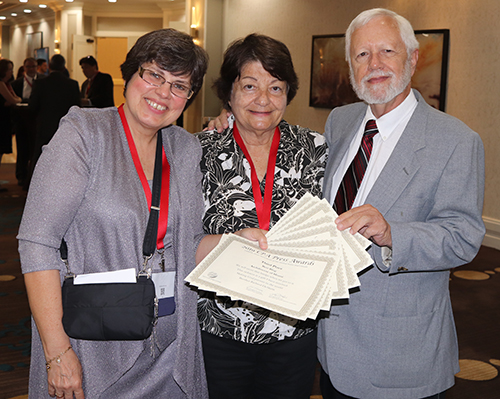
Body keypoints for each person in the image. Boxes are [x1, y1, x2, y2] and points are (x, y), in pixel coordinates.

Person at [18, 28, 267, 399]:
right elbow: (37, 244)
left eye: (179, 86)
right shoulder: (84, 135)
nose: (163, 93)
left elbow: (188, 244)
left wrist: (235, 242)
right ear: (131, 74)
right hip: (94, 345)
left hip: (172, 351)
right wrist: (57, 352)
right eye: (154, 75)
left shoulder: (184, 149)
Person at [317, 8, 485, 399]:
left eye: (387, 51)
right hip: (330, 348)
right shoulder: (340, 121)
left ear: (411, 59)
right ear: (349, 66)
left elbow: (463, 237)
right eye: (362, 55)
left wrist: (394, 233)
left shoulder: (456, 140)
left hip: (399, 355)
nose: (374, 64)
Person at [196, 33, 328, 399]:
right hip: (218, 329)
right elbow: (175, 237)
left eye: (276, 88)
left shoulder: (315, 150)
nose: (263, 100)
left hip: (293, 330)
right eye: (250, 85)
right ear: (229, 92)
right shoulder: (197, 152)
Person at [26, 54, 80, 189]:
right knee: (64, 158)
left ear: (49, 67)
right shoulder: (72, 84)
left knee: (39, 157)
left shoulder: (40, 83)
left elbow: (33, 107)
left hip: (44, 127)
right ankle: (61, 186)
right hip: (65, 128)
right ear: (64, 68)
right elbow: (76, 109)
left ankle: (35, 187)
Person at [11, 57, 44, 186]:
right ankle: (21, 175)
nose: (31, 69)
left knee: (36, 149)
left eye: (34, 67)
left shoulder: (43, 81)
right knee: (22, 149)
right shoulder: (17, 84)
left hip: (37, 122)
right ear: (24, 68)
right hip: (22, 121)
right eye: (29, 67)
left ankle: (36, 177)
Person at [0, 59, 22, 192]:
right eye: (9, 69)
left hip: (5, 121)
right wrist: (13, 101)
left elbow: (15, 99)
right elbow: (14, 99)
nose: (11, 72)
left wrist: (13, 101)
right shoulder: (1, 84)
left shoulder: (7, 84)